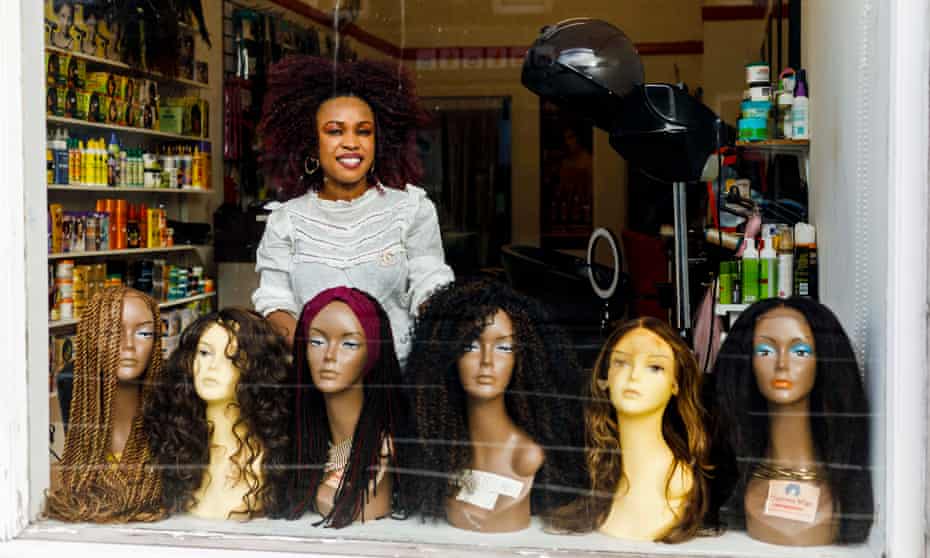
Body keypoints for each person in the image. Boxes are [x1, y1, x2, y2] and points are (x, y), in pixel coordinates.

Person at [253, 56, 453, 363]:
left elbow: (431, 284)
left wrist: (448, 317)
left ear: (378, 141)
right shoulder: (286, 221)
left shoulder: (412, 210)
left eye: (363, 131)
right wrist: (319, 360)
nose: (351, 143)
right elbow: (275, 303)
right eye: (335, 131)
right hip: (317, 383)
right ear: (311, 143)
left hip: (393, 383)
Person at [403, 280, 587, 531]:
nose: (486, 361)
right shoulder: (449, 455)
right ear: (449, 356)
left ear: (522, 359)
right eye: (471, 345)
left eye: (503, 347)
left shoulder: (526, 457)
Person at [713, 297, 873, 545]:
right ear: (748, 362)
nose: (782, 365)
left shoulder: (841, 491)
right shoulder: (740, 480)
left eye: (800, 351)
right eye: (765, 351)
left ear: (822, 360)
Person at [548, 317, 712, 543]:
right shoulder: (596, 471)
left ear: (675, 384)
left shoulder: (678, 484)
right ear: (604, 380)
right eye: (621, 362)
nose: (634, 375)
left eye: (655, 367)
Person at [275, 287, 407, 527]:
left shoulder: (382, 451)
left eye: (349, 344)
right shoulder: (304, 444)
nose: (330, 355)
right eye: (317, 341)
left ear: (372, 353)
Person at [145, 308, 291, 519]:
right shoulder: (175, 449)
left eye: (231, 355)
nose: (213, 367)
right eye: (204, 353)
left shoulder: (267, 462)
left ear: (254, 368)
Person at [46, 287, 165, 522]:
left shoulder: (170, 441)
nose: (128, 344)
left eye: (143, 333)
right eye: (112, 333)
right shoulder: (81, 458)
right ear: (91, 339)